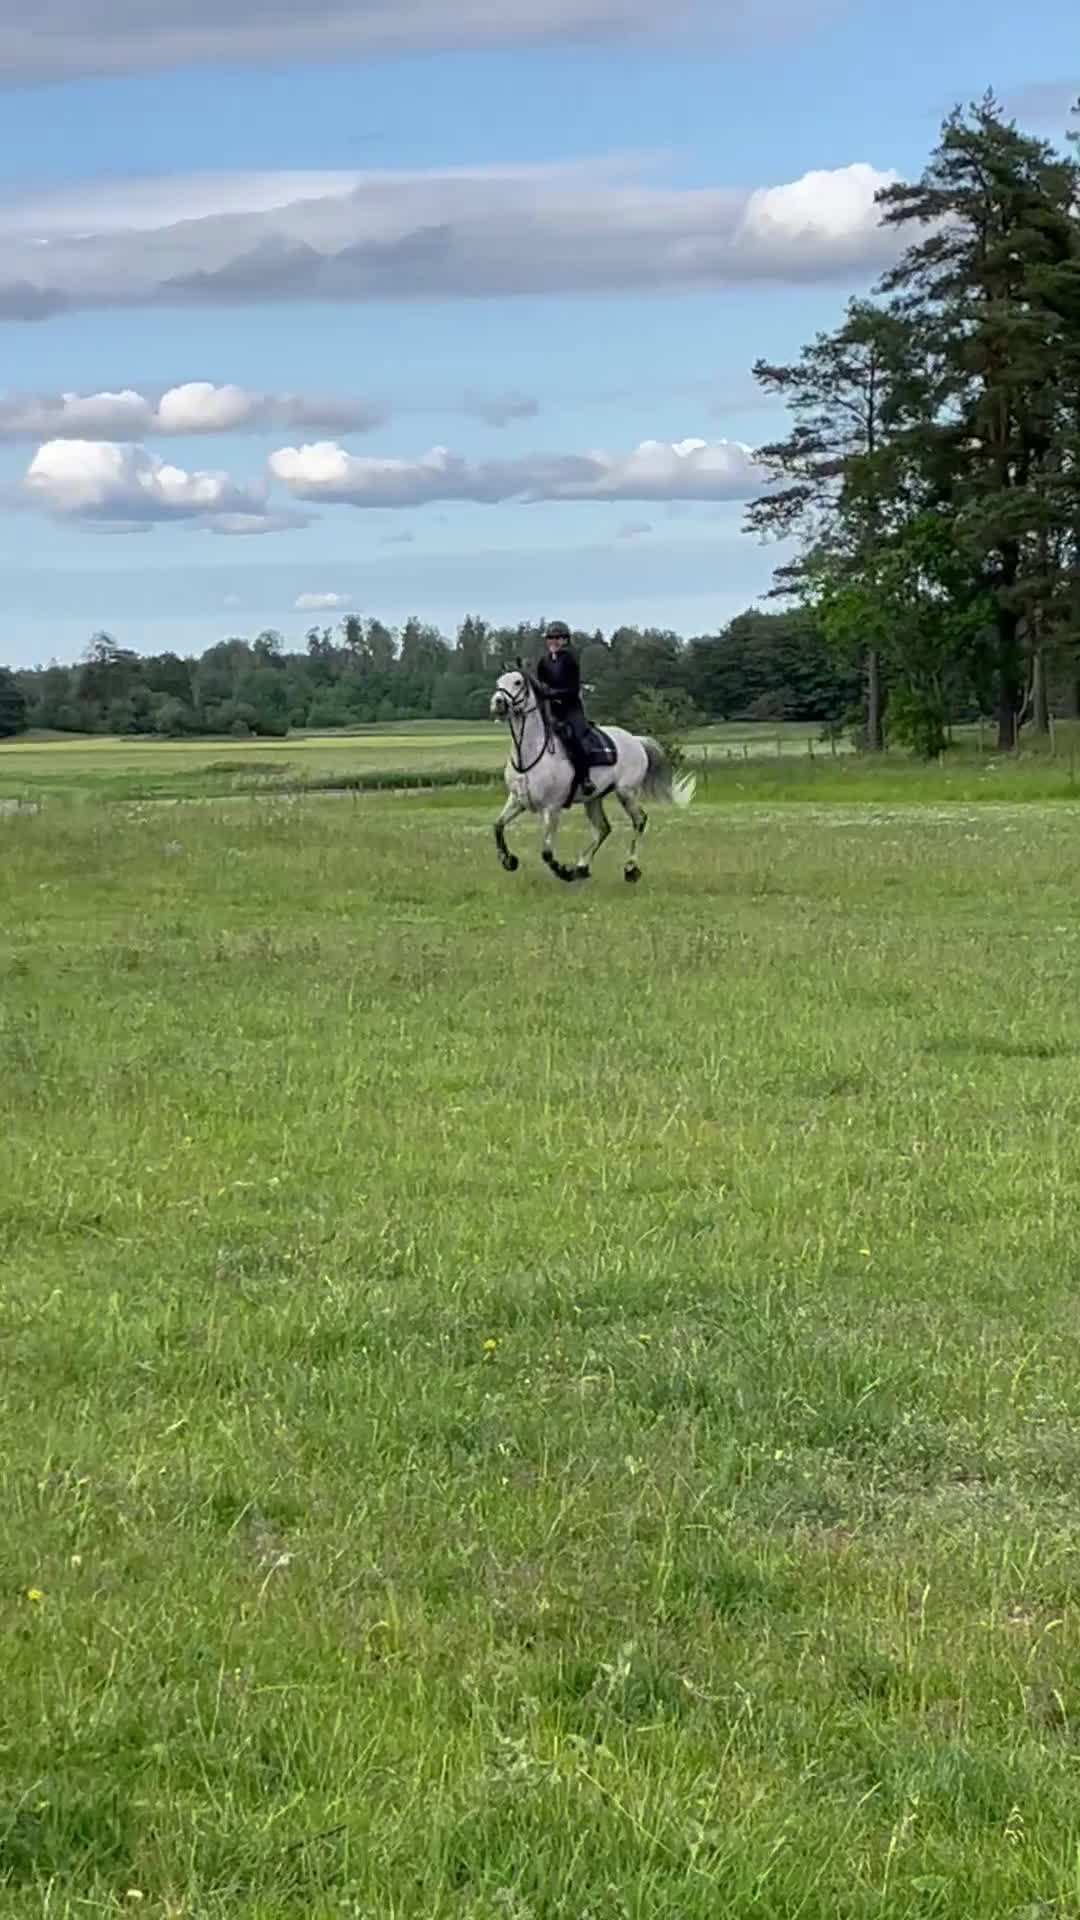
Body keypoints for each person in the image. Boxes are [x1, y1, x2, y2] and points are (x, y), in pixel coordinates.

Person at [535, 619, 595, 798]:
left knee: (575, 738)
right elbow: (541, 685)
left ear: (565, 640)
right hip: (551, 709)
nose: (552, 641)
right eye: (550, 638)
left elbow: (572, 690)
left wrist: (551, 693)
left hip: (570, 708)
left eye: (556, 638)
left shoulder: (570, 660)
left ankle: (585, 779)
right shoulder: (543, 662)